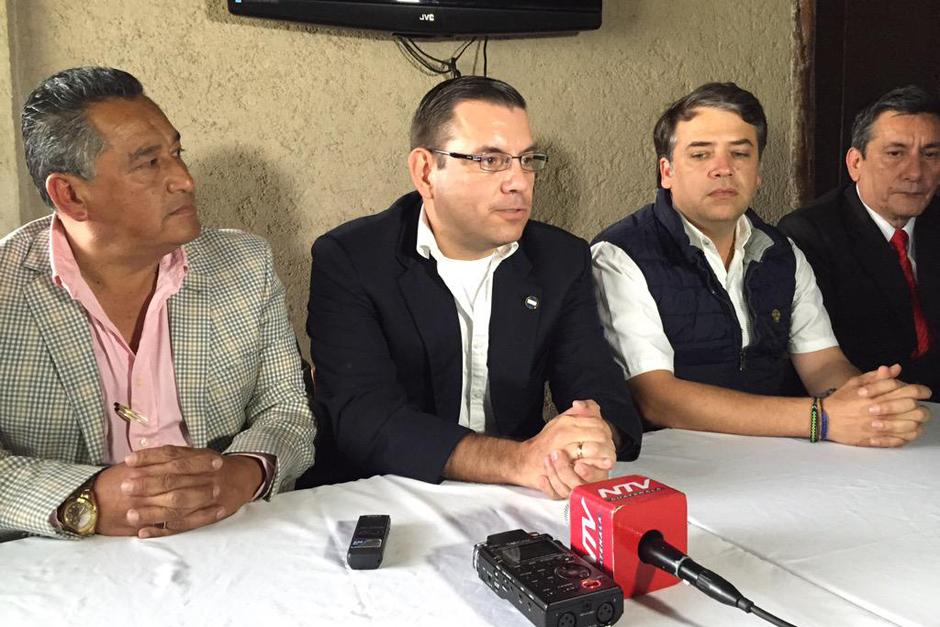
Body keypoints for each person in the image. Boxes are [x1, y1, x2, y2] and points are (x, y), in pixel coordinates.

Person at [0, 67, 315, 541]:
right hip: (62, 563)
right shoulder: (6, 290)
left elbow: (287, 409)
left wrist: (242, 472)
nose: (184, 180)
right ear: (70, 194)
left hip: (229, 538)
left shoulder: (244, 264)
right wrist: (83, 498)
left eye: (176, 153)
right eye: (149, 163)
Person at [301, 76, 642, 498]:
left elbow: (598, 385)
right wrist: (516, 460)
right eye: (489, 161)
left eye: (527, 159)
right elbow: (363, 418)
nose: (519, 182)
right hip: (385, 495)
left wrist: (593, 435)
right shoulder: (351, 258)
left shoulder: (560, 258)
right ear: (425, 171)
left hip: (519, 497)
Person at [591, 82, 930, 447]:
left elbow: (822, 365)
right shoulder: (620, 254)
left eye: (740, 154)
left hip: (774, 454)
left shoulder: (781, 252)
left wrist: (873, 404)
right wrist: (821, 418)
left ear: (758, 171)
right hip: (668, 465)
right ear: (667, 171)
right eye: (701, 155)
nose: (723, 169)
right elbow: (657, 399)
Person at [779, 85, 940, 400]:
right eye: (895, 153)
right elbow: (819, 359)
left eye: (931, 154)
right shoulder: (810, 233)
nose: (915, 172)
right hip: (862, 408)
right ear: (856, 163)